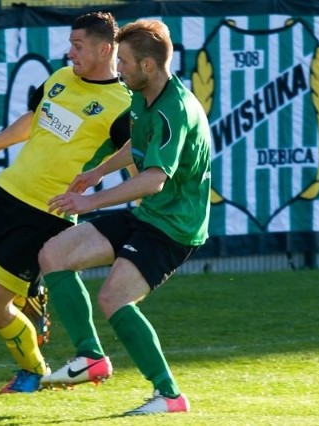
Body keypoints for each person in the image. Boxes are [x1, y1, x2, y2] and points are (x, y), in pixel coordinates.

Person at [0, 11, 131, 393]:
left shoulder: (121, 105)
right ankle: (26, 296)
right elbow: (34, 119)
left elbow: (135, 157)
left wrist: (126, 196)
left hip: (46, 215)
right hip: (7, 197)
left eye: (78, 45)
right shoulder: (60, 79)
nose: (70, 53)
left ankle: (32, 373)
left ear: (105, 49)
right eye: (71, 44)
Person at [38, 19, 211, 415]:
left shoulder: (175, 110)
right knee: (54, 256)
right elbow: (138, 141)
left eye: (126, 63)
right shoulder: (145, 95)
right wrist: (99, 171)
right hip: (148, 216)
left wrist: (90, 202)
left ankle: (169, 397)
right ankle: (90, 358)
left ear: (148, 66)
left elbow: (153, 179)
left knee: (114, 297)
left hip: (174, 228)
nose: (118, 69)